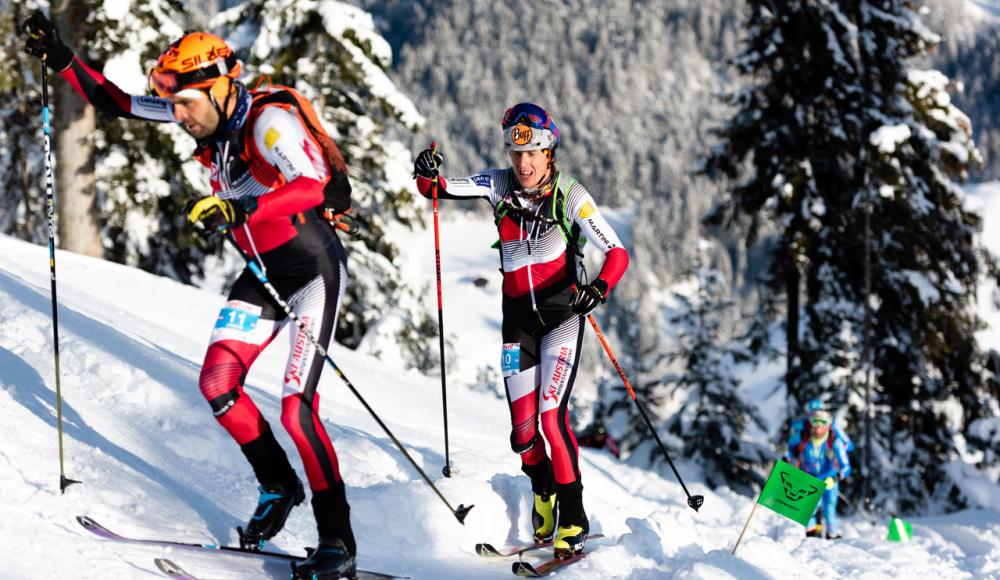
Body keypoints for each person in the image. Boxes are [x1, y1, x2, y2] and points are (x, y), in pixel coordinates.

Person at [22, 13, 356, 578]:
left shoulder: (269, 122)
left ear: (222, 87)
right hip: (263, 270)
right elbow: (121, 103)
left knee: (299, 410)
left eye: (186, 106)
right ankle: (278, 484)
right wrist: (63, 59)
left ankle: (339, 542)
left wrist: (240, 207)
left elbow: (312, 184)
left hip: (311, 273)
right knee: (219, 384)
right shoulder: (201, 112)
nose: (178, 117)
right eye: (174, 106)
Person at [412, 103, 629, 559]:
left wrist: (600, 289)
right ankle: (543, 491)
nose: (523, 164)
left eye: (532, 154)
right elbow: (436, 189)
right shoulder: (497, 184)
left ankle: (574, 518)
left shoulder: (570, 195)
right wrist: (426, 171)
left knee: (553, 419)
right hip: (518, 323)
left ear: (549, 152)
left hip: (563, 318)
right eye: (515, 154)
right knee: (523, 434)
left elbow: (617, 252)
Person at [791, 408, 852, 539]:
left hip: (828, 481)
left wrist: (836, 477)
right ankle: (811, 538)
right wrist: (790, 458)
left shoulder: (834, 442)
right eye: (815, 422)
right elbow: (789, 449)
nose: (818, 427)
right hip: (809, 480)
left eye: (823, 423)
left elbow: (846, 466)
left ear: (829, 425)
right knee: (809, 509)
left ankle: (832, 536)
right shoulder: (802, 438)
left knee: (829, 510)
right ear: (810, 423)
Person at [786, 398, 853, 460]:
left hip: (827, 464)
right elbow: (794, 428)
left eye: (819, 412)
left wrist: (836, 450)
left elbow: (849, 445)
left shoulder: (832, 426)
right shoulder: (806, 424)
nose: (818, 424)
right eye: (813, 414)